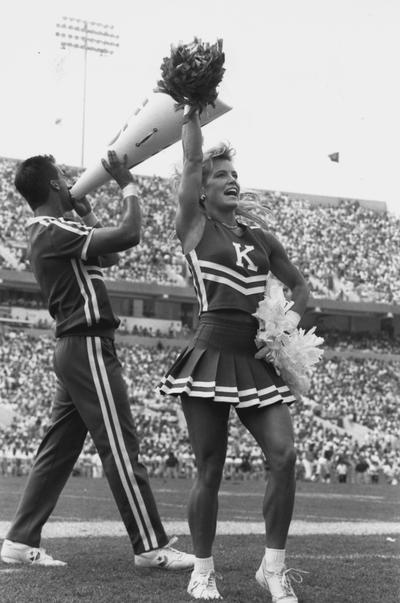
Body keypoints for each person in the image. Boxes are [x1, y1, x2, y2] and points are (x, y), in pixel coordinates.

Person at [0, 151, 194, 574]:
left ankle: (18, 538)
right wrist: (128, 185)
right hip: (87, 346)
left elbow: (107, 258)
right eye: (64, 177)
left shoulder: (54, 229)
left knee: (57, 452)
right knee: (121, 447)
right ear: (53, 186)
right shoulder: (51, 229)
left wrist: (86, 211)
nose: (71, 180)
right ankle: (150, 544)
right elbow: (129, 234)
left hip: (75, 347)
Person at [158, 108, 310, 601]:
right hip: (210, 352)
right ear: (201, 190)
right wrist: (191, 111)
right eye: (220, 175)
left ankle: (273, 568)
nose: (231, 180)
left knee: (284, 455)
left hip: (256, 358)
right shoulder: (195, 227)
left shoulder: (262, 239)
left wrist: (292, 329)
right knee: (210, 465)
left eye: (234, 175)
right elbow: (191, 157)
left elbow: (301, 287)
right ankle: (202, 570)